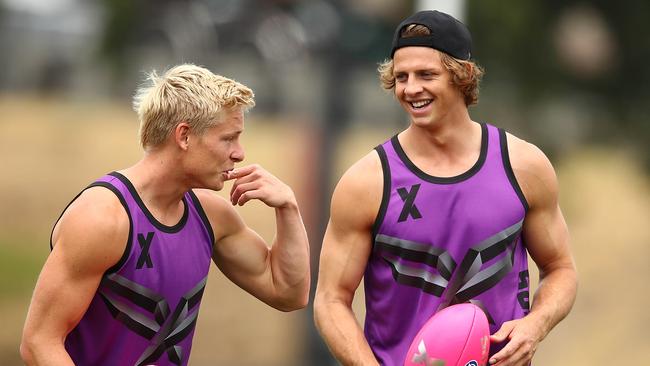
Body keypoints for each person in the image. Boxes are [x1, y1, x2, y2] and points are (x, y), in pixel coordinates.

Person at [314, 10, 578, 366]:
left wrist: (535, 325)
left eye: (426, 75)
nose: (411, 89)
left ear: (462, 75)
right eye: (401, 76)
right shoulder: (367, 183)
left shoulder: (524, 166)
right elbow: (331, 301)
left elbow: (561, 268)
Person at [20, 64, 310, 366]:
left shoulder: (211, 215)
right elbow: (39, 342)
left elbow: (288, 292)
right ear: (184, 136)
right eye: (228, 138)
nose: (240, 153)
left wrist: (288, 208)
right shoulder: (103, 218)